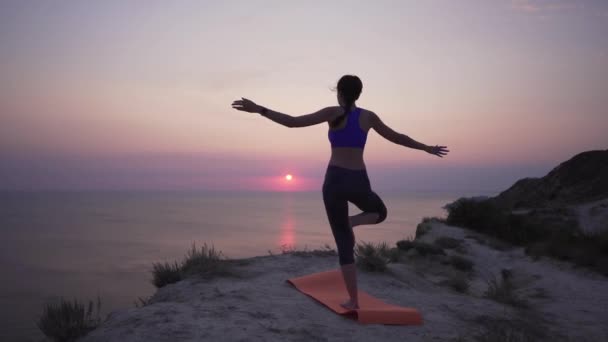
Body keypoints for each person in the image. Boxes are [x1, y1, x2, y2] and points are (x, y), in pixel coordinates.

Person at [231, 75, 449, 310]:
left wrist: (259, 109)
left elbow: (292, 122)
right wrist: (426, 148)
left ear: (340, 93)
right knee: (379, 212)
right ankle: (351, 223)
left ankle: (353, 300)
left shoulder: (331, 113)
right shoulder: (368, 117)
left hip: (334, 181)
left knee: (344, 241)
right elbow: (396, 137)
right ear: (358, 94)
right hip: (358, 181)